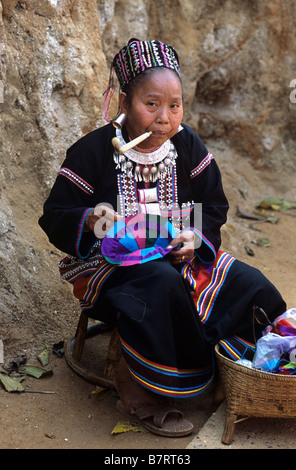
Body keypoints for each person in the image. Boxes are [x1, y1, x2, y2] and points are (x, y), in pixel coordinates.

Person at [39, 38, 287, 437]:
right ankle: (141, 391)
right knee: (160, 284)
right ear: (124, 104)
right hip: (110, 267)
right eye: (151, 104)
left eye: (175, 106)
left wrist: (194, 236)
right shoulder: (94, 151)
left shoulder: (186, 144)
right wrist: (91, 219)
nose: (165, 118)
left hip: (181, 259)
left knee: (252, 285)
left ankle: (233, 365)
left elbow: (213, 205)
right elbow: (54, 215)